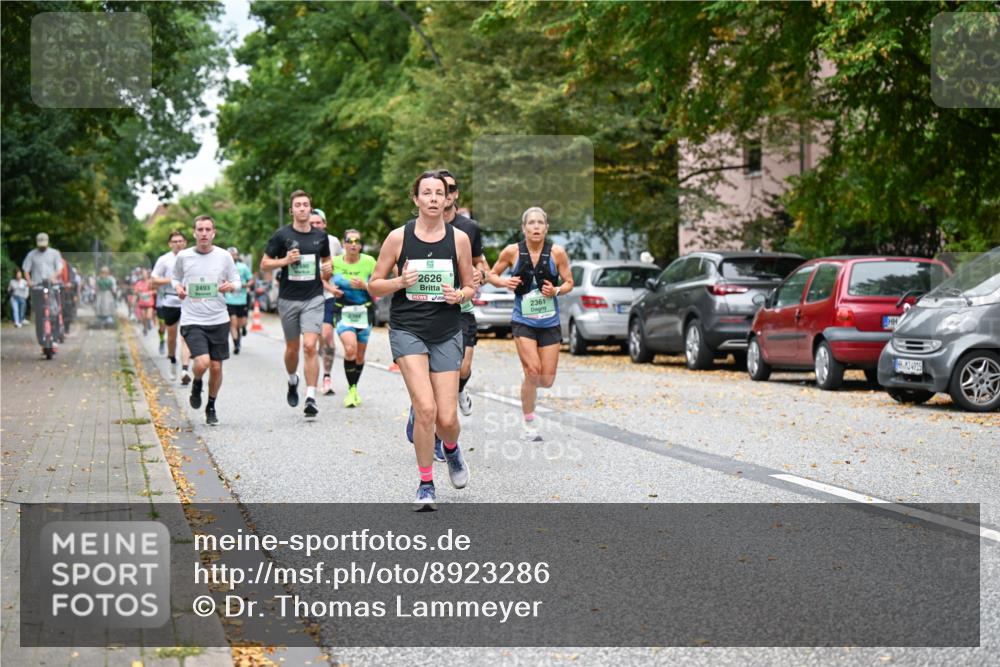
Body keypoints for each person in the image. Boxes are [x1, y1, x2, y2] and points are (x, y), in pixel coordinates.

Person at [368, 170, 475, 510]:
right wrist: (399, 282)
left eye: (438, 193)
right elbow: (375, 284)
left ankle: (452, 450)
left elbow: (470, 286)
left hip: (446, 331)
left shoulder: (459, 239)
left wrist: (459, 295)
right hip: (407, 329)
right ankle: (426, 483)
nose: (432, 198)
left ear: (447, 200)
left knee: (447, 419)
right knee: (425, 409)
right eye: (425, 192)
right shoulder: (398, 238)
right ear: (415, 199)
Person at [487, 206, 573, 442]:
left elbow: (569, 282)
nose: (535, 227)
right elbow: (491, 276)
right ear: (524, 228)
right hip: (523, 320)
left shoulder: (557, 253)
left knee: (546, 379)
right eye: (531, 223)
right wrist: (506, 283)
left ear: (546, 227)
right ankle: (529, 422)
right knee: (533, 371)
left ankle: (528, 385)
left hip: (549, 322)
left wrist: (556, 290)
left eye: (540, 223)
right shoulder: (512, 251)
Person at [261, 190, 332, 419]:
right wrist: (285, 261)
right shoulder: (282, 236)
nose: (302, 208)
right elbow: (265, 264)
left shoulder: (320, 236)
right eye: (298, 205)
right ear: (292, 210)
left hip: (313, 297)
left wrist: (328, 269)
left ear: (310, 209)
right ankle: (293, 380)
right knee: (292, 348)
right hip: (288, 299)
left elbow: (326, 261)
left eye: (306, 205)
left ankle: (310, 396)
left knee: (310, 346)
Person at [172, 215, 241, 425]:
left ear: (213, 233)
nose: (203, 233)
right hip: (192, 318)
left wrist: (231, 286)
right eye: (200, 230)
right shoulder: (184, 256)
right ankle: (197, 382)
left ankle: (211, 405)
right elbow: (175, 278)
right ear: (194, 233)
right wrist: (178, 288)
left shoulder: (224, 256)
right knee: (202, 362)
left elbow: (237, 279)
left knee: (217, 367)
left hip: (218, 318)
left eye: (207, 229)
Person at [439, 170, 490, 420]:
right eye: (439, 189)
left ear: (455, 194)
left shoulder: (469, 228)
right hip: (433, 308)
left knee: (464, 367)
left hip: (463, 307)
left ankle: (460, 390)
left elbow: (481, 262)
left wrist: (482, 273)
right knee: (441, 371)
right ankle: (433, 423)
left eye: (449, 189)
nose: (445, 194)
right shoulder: (422, 226)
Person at [331, 229, 376, 407]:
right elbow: (322, 278)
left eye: (357, 241)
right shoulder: (334, 262)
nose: (354, 244)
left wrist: (365, 286)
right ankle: (351, 390)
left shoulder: (369, 262)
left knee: (359, 355)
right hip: (343, 310)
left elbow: (378, 286)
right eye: (350, 241)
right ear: (344, 244)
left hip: (365, 311)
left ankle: (354, 387)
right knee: (350, 349)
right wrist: (331, 289)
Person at [309, 208, 344, 395]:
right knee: (313, 341)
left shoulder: (333, 242)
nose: (315, 226)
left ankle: (326, 377)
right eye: (312, 223)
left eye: (318, 223)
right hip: (308, 297)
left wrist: (338, 284)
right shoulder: (302, 240)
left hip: (328, 297)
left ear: (325, 224)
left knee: (328, 336)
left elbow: (340, 265)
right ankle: (311, 379)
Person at [151, 231, 192, 382]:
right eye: (174, 241)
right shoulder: (164, 260)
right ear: (170, 244)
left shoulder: (192, 257)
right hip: (170, 301)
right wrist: (171, 280)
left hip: (188, 302)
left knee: (185, 336)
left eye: (180, 241)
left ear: (185, 243)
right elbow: (153, 281)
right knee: (172, 337)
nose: (178, 244)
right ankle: (173, 360)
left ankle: (185, 369)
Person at [22, 232, 65, 353]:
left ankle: (55, 338)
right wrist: (29, 281)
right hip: (38, 288)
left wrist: (54, 277)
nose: (42, 247)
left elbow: (59, 268)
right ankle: (41, 340)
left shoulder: (54, 253)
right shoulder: (32, 254)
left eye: (44, 244)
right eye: (40, 245)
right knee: (40, 315)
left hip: (52, 287)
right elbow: (26, 269)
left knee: (55, 312)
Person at [225, 247, 254, 355]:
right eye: (230, 255)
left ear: (237, 256)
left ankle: (242, 329)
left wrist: (246, 285)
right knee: (233, 323)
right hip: (230, 300)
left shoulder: (243, 267)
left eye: (234, 255)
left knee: (241, 324)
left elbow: (251, 279)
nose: (233, 257)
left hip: (242, 299)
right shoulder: (224, 268)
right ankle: (236, 344)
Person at [133, 269, 156, 336]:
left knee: (148, 316)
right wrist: (137, 294)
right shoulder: (138, 283)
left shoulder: (151, 282)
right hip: (142, 303)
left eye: (145, 274)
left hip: (149, 303)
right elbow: (135, 292)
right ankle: (145, 328)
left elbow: (155, 291)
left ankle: (149, 323)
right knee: (143, 317)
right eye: (142, 274)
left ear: (147, 274)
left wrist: (149, 293)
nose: (143, 275)